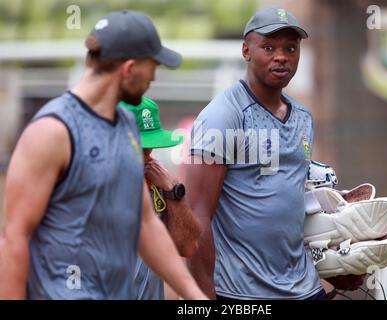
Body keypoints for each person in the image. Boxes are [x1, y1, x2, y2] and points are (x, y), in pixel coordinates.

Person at [0, 11, 206, 300]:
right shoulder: (52, 132)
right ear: (130, 68)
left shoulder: (127, 126)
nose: (154, 78)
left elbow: (146, 223)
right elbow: (14, 239)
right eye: (152, 67)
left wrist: (194, 296)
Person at [185, 7, 363, 300]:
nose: (281, 56)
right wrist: (204, 296)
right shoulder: (223, 115)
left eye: (290, 48)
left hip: (304, 288)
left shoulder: (303, 117)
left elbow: (294, 200)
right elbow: (196, 214)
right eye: (268, 47)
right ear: (246, 51)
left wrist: (336, 263)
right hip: (242, 293)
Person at [120, 97, 202, 300]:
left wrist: (174, 192)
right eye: (141, 147)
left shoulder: (156, 184)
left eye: (151, 146)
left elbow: (188, 246)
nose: (148, 155)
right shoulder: (89, 186)